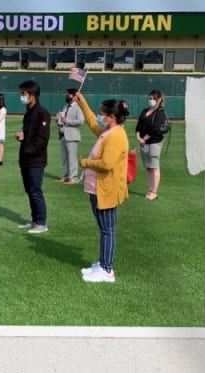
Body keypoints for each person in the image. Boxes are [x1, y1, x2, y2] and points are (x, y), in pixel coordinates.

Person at [73, 93, 130, 284]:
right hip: (97, 188)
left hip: (107, 190)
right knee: (104, 229)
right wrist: (82, 102)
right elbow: (91, 122)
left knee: (108, 230)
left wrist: (85, 162)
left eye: (103, 114)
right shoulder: (108, 131)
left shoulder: (116, 136)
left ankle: (107, 269)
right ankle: (103, 263)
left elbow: (106, 164)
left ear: (112, 117)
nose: (100, 117)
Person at [15, 80, 51, 234]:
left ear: (32, 95)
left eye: (23, 93)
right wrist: (22, 136)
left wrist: (29, 149)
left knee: (35, 191)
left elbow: (42, 139)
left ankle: (41, 222)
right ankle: (35, 220)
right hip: (25, 158)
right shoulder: (29, 112)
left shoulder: (42, 113)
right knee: (30, 190)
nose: (21, 96)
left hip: (35, 160)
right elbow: (29, 133)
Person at [135, 91, 170, 200]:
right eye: (150, 98)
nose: (151, 100)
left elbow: (155, 128)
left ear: (159, 99)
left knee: (154, 167)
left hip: (154, 142)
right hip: (143, 142)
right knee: (148, 167)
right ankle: (150, 189)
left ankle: (154, 192)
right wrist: (138, 137)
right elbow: (139, 125)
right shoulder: (145, 111)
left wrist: (144, 139)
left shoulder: (160, 113)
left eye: (153, 98)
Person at [57, 89, 83, 184]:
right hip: (63, 134)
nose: (67, 96)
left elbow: (81, 121)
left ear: (74, 96)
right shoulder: (65, 106)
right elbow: (62, 118)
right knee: (64, 157)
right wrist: (59, 119)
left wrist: (67, 120)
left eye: (69, 94)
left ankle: (73, 177)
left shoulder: (77, 108)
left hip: (72, 136)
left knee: (72, 157)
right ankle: (66, 175)